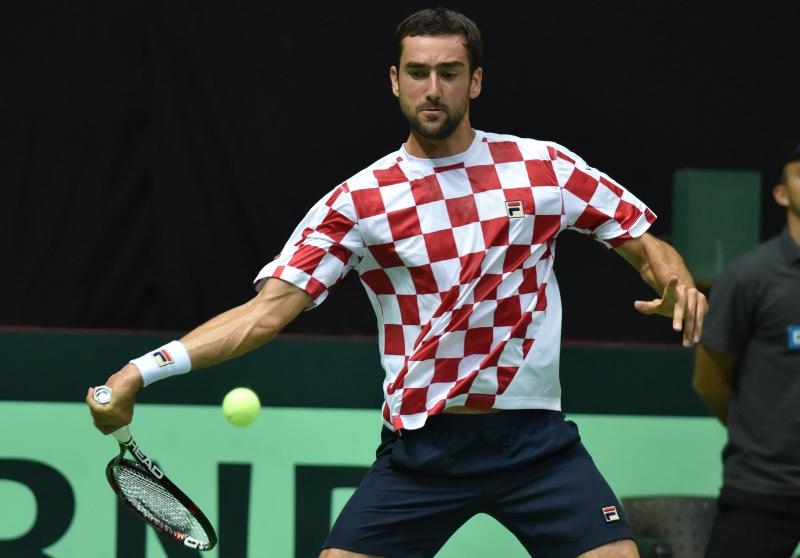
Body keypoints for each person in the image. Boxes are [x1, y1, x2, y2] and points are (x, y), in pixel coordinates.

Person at [88, 7, 707, 558]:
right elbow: (264, 314)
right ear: (395, 80)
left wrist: (676, 284)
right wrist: (139, 372)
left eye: (449, 72)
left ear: (476, 81)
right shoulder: (359, 202)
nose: (432, 88)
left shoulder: (541, 167)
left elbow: (646, 245)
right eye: (417, 72)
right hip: (423, 448)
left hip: (535, 443)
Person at [693, 142, 800, 558]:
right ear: (781, 194)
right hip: (763, 488)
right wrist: (757, 433)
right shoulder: (749, 276)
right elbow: (709, 378)